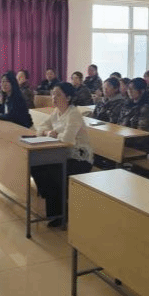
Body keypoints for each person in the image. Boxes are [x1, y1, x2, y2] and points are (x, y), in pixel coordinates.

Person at [31, 82, 93, 227]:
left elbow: (68, 140)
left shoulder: (73, 114)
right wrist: (48, 132)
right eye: (53, 94)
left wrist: (53, 134)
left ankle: (60, 213)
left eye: (58, 94)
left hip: (79, 159)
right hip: (62, 155)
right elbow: (39, 129)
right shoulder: (56, 112)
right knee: (36, 165)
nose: (54, 97)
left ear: (68, 97)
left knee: (53, 172)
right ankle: (54, 205)